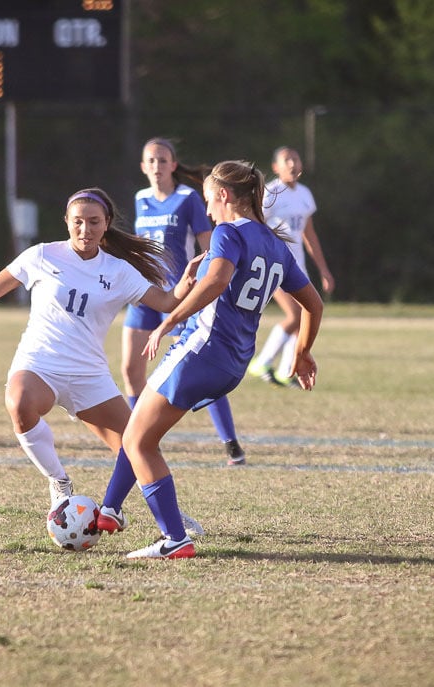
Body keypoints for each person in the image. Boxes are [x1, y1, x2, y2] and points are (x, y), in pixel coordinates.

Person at [0, 188, 203, 513]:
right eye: (78, 222)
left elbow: (166, 302)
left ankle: (168, 513)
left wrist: (186, 285)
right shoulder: (42, 256)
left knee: (136, 447)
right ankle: (59, 482)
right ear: (66, 221)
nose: (84, 230)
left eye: (93, 222)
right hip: (40, 364)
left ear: (106, 224)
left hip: (89, 375)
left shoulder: (118, 271)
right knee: (19, 403)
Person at [96, 160, 324, 559]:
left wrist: (171, 319)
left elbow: (217, 280)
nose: (206, 211)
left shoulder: (227, 232)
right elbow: (314, 305)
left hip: (200, 350)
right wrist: (302, 352)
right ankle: (111, 512)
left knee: (136, 440)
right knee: (141, 436)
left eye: (208, 201)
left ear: (223, 196)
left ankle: (173, 538)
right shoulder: (275, 243)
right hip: (233, 363)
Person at [123, 137, 247, 467]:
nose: (156, 166)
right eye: (150, 160)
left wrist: (199, 286)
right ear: (142, 166)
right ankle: (135, 438)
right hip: (145, 294)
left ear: (173, 165)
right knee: (130, 368)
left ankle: (230, 441)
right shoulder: (141, 199)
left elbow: (210, 248)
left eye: (162, 160)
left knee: (198, 368)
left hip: (180, 295)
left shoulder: (188, 199)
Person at [247, 146, 334, 387]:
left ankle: (289, 369)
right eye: (287, 160)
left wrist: (324, 270)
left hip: (297, 267)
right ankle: (262, 362)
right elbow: (256, 226)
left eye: (295, 159)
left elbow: (310, 235)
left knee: (306, 314)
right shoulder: (271, 193)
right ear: (276, 167)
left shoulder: (305, 193)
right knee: (296, 315)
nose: (293, 164)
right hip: (274, 264)